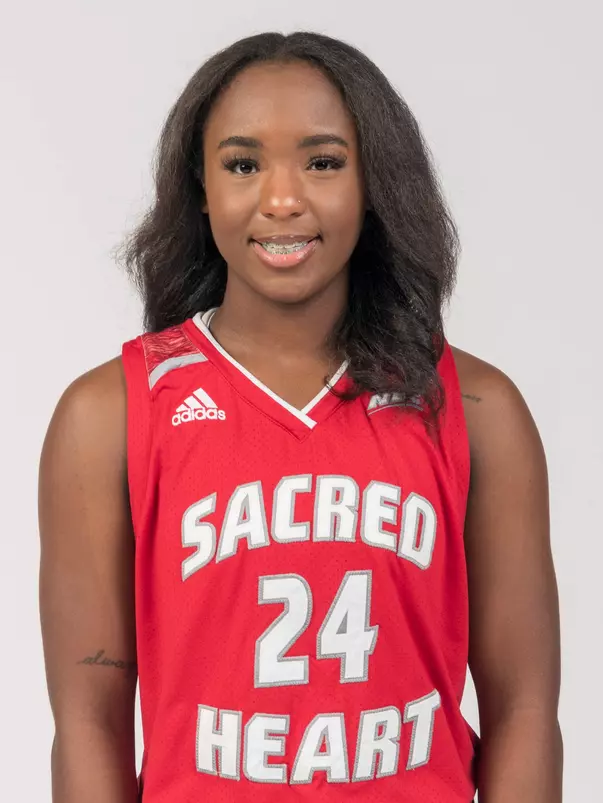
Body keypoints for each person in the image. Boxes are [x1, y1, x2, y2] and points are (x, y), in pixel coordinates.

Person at [38, 30, 563, 803]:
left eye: (322, 161)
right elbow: (90, 722)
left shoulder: (477, 411)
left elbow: (523, 707)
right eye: (242, 164)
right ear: (202, 184)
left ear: (372, 179)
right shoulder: (108, 415)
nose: (281, 199)